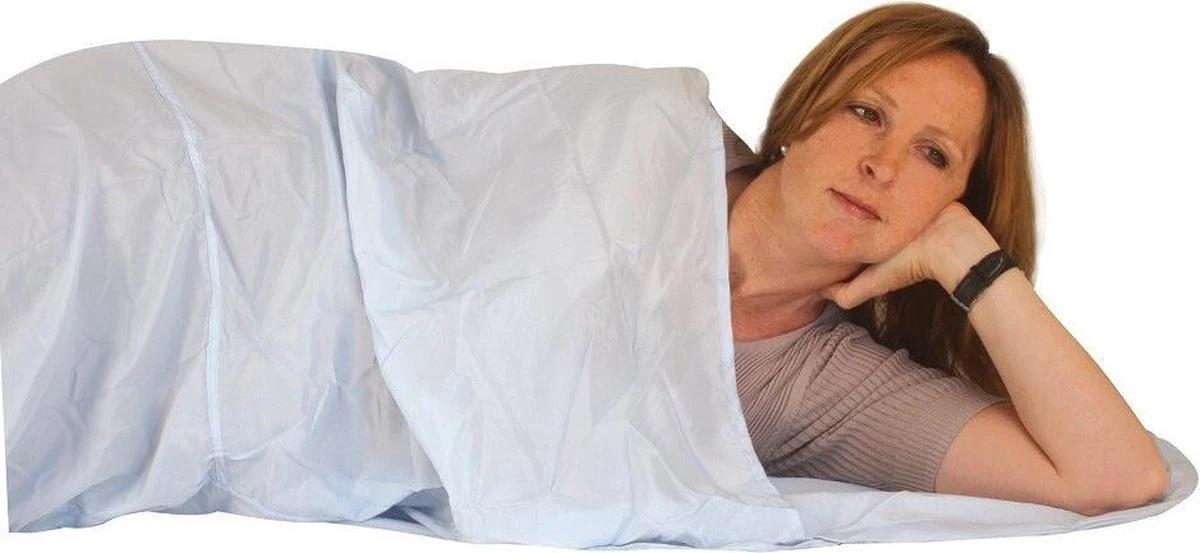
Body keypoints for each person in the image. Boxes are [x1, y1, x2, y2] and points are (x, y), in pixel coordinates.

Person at [717, 1, 1168, 517]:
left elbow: (1120, 476)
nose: (883, 166)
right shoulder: (664, 139)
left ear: (954, 204)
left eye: (933, 155)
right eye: (867, 113)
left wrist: (970, 259)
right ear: (802, 109)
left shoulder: (828, 391)